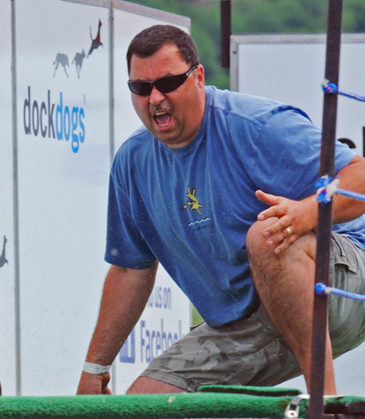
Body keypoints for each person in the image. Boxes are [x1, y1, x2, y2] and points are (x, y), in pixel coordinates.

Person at [76, 24, 365, 395]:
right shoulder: (133, 162)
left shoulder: (255, 124)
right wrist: (94, 368)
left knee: (268, 235)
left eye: (168, 83)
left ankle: (324, 404)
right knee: (144, 406)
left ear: (198, 76)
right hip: (246, 321)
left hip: (342, 289)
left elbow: (359, 174)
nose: (155, 98)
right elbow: (130, 271)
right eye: (141, 87)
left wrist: (309, 212)